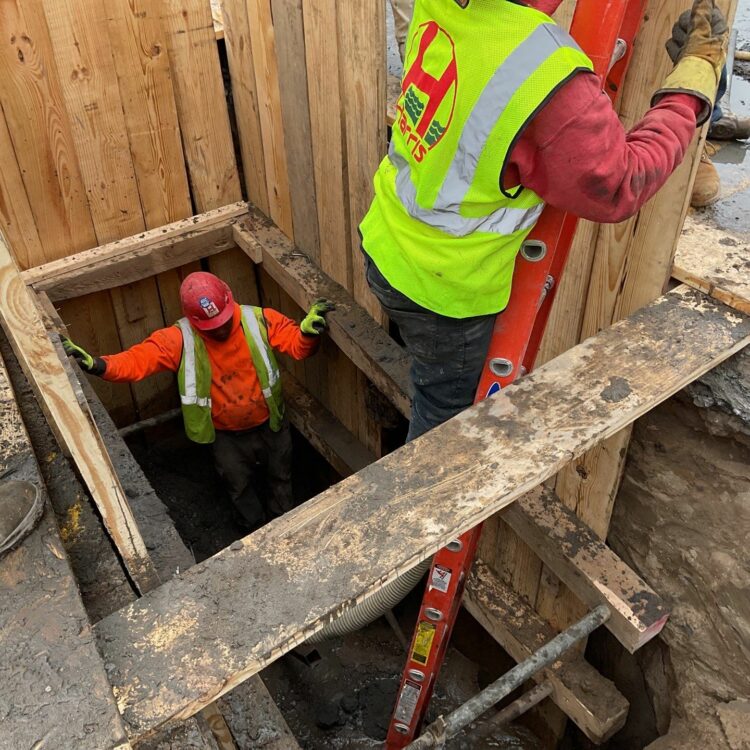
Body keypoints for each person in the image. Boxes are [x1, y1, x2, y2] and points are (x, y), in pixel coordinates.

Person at [360, 0, 728, 441]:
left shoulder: (442, 6)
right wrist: (692, 84)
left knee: (426, 370)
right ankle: (421, 504)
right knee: (444, 423)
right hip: (445, 295)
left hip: (385, 242)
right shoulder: (548, 79)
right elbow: (620, 183)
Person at [62, 272, 334, 531]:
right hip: (226, 436)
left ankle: (286, 522)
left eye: (224, 322)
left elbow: (296, 345)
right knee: (238, 485)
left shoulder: (258, 320)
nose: (220, 330)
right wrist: (98, 365)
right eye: (211, 327)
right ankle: (252, 528)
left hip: (270, 423)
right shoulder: (179, 339)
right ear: (194, 321)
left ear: (230, 300)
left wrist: (308, 334)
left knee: (281, 476)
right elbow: (137, 361)